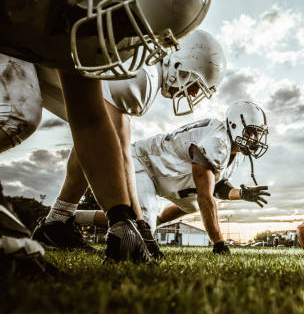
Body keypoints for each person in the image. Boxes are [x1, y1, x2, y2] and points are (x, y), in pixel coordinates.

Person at [0, 0, 213, 262]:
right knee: (16, 111)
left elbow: (89, 120)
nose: (118, 41)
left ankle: (58, 221)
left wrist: (122, 218)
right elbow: (117, 137)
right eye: (122, 22)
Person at [31, 30, 226, 258]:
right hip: (24, 54)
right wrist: (130, 221)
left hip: (42, 62)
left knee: (91, 139)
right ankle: (53, 222)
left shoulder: (147, 68)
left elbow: (107, 139)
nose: (191, 94)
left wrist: (139, 223)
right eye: (194, 86)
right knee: (18, 118)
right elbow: (113, 146)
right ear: (179, 62)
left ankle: (58, 221)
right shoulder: (145, 76)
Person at [74, 101, 271, 255]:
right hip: (145, 163)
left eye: (258, 134)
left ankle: (154, 222)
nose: (255, 139)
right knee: (147, 222)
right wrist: (219, 242)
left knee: (192, 206)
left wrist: (242, 194)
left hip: (167, 176)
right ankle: (74, 218)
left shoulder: (232, 153)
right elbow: (205, 196)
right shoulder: (218, 141)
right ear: (235, 124)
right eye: (251, 132)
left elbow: (216, 187)